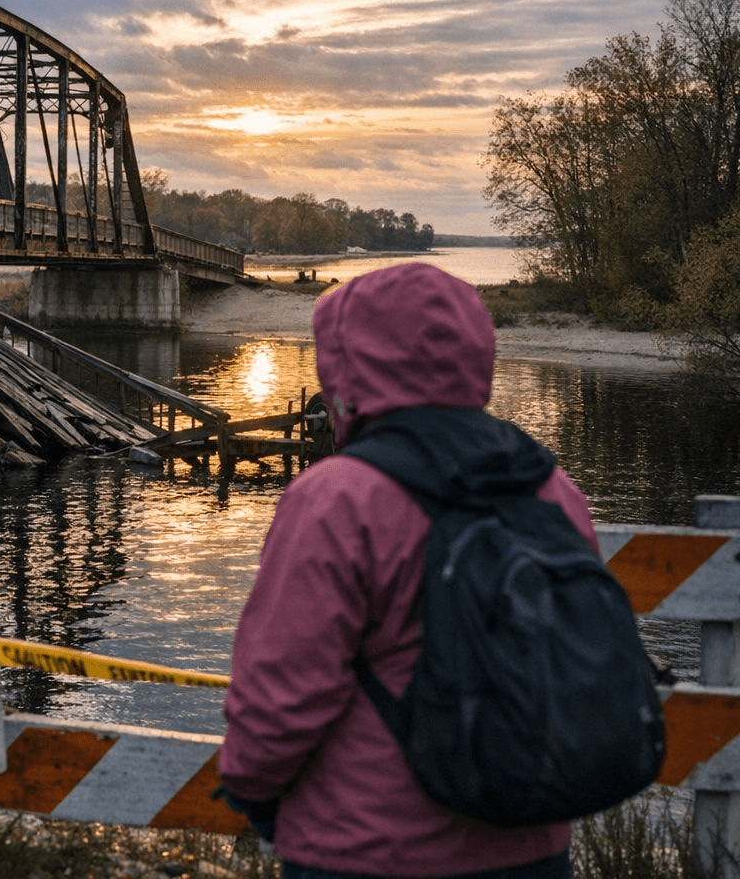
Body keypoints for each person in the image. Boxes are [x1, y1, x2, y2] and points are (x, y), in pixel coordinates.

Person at [219, 262, 594, 878]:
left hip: (366, 846)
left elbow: (283, 689)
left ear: (345, 364)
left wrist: (251, 792)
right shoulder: (550, 486)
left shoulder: (337, 497)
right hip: (531, 843)